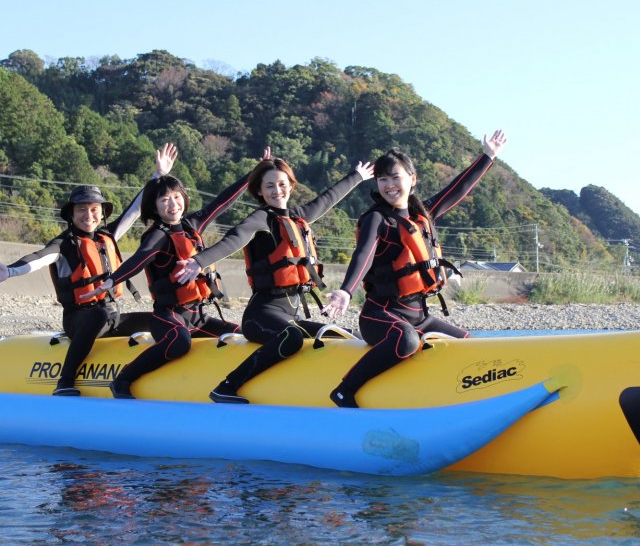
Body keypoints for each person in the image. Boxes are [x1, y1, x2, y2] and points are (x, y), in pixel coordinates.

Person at [322, 130, 507, 407]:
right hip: (380, 317)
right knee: (406, 340)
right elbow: (363, 255)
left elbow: (457, 188)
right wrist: (346, 291)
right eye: (382, 179)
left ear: (412, 179)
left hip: (419, 316)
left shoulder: (422, 215)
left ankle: (467, 398)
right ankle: (344, 389)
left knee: (469, 345)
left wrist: (487, 156)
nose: (389, 185)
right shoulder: (377, 218)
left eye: (395, 177)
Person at [173, 153, 375, 404]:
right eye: (269, 185)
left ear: (291, 185)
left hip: (291, 315)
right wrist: (198, 261)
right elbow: (234, 239)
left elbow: (327, 199)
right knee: (291, 337)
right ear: (259, 190)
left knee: (340, 334)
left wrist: (357, 177)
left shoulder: (298, 216)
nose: (277, 190)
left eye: (282, 184)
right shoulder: (261, 219)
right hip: (261, 316)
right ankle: (227, 386)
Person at [81, 150, 270, 398]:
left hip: (199, 317)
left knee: (241, 335)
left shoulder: (192, 225)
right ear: (155, 206)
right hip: (168, 316)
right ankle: (124, 378)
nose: (173, 204)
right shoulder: (156, 235)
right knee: (180, 343)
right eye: (164, 200)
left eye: (176, 197)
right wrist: (111, 281)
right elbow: (139, 259)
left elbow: (222, 202)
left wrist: (254, 173)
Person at [0, 143, 178, 396]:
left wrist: (158, 175)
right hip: (79, 320)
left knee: (162, 319)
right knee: (97, 314)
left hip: (113, 316)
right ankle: (65, 380)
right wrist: (10, 271)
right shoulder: (63, 244)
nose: (89, 215)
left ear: (101, 213)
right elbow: (38, 258)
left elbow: (135, 209)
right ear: (71, 215)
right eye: (81, 210)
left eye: (94, 210)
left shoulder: (109, 235)